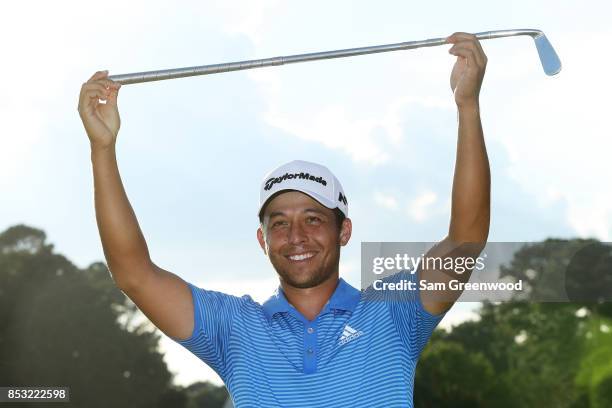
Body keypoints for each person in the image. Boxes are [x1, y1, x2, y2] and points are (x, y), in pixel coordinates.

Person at [78, 32, 489, 407]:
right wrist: (102, 148)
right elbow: (133, 272)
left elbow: (466, 240)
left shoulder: (394, 311)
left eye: (313, 219)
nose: (296, 236)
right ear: (262, 239)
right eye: (279, 223)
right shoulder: (234, 328)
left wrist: (467, 106)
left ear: (343, 231)